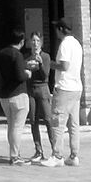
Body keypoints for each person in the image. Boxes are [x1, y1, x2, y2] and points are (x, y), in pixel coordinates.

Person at [48, 19, 83, 167]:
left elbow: (64, 66)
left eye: (57, 28)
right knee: (73, 124)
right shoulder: (76, 44)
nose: (56, 31)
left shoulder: (65, 44)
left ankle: (57, 155)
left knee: (58, 122)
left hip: (64, 87)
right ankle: (74, 155)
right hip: (76, 87)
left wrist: (49, 63)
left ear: (61, 29)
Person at [0, 27, 34, 164]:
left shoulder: (2, 53)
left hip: (4, 95)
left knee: (11, 125)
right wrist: (28, 73)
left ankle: (14, 153)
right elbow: (19, 75)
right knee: (17, 127)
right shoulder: (17, 55)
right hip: (18, 94)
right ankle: (15, 156)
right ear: (21, 41)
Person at [23, 31, 59, 165]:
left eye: (38, 41)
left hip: (43, 89)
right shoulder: (27, 58)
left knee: (48, 119)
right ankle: (38, 150)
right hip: (31, 90)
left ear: (41, 43)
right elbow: (25, 74)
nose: (35, 43)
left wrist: (41, 63)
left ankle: (55, 150)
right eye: (33, 41)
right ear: (29, 43)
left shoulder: (46, 56)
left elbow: (45, 75)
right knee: (33, 120)